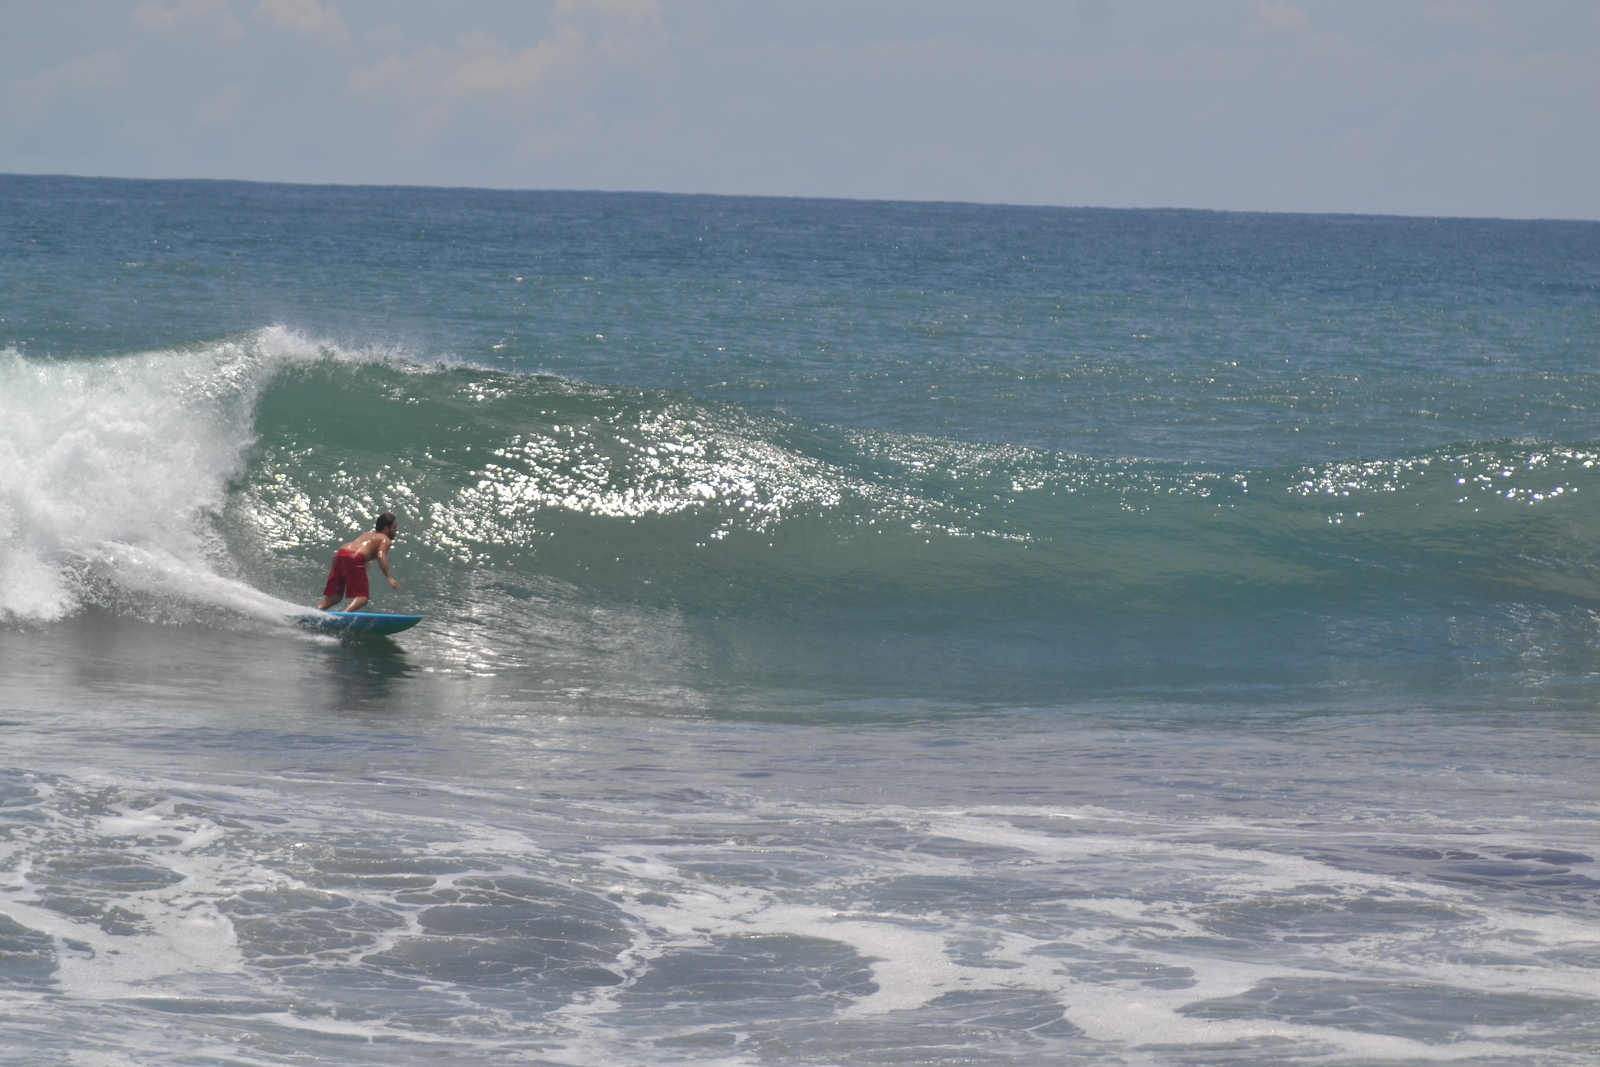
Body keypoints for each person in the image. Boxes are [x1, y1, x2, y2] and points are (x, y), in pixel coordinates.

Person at [317, 513, 401, 612]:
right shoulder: (385, 539)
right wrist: (389, 577)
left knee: (335, 596)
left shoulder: (367, 534)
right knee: (362, 597)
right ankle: (344, 615)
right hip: (355, 558)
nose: (396, 530)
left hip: (340, 553)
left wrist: (362, 560)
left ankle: (315, 612)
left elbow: (358, 548)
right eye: (394, 527)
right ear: (386, 528)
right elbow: (380, 555)